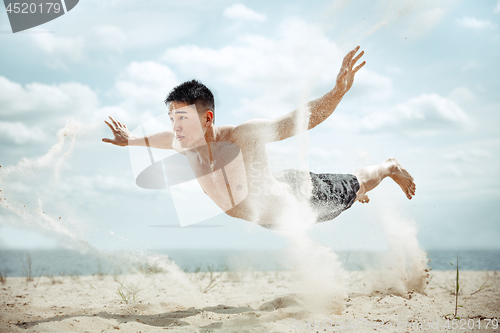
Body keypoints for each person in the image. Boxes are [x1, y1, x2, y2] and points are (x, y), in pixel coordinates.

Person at [103, 46, 415, 228]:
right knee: (352, 192)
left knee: (355, 183)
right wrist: (130, 140)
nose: (175, 128)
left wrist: (335, 93)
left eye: (182, 119)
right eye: (172, 119)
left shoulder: (243, 135)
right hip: (270, 207)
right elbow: (160, 138)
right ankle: (358, 190)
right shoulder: (186, 144)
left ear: (207, 118)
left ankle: (389, 167)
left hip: (300, 198)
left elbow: (298, 121)